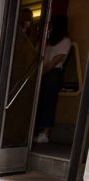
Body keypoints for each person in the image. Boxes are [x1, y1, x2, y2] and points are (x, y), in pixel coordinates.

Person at [34, 15, 71, 144]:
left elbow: (56, 60)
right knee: (40, 101)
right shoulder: (48, 40)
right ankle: (37, 129)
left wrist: (40, 73)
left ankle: (45, 132)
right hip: (45, 72)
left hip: (53, 73)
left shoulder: (65, 41)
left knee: (49, 101)